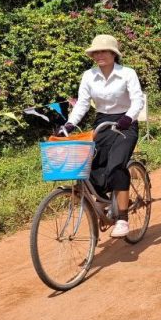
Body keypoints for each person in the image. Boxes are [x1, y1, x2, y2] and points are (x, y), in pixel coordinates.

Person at [63, 34, 146, 238]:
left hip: (126, 124)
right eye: (95, 52)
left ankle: (122, 219)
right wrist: (70, 124)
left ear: (113, 54)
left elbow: (137, 100)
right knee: (91, 166)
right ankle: (106, 201)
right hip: (102, 123)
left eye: (103, 51)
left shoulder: (127, 73)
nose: (99, 55)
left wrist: (128, 118)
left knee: (117, 165)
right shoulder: (88, 76)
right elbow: (82, 103)